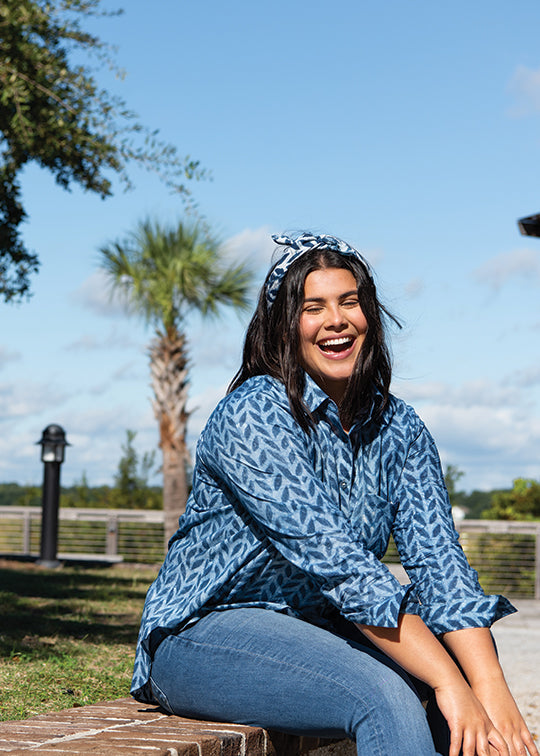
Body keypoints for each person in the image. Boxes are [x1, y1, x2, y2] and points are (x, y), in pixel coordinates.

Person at [131, 232, 538, 756]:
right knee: (387, 696)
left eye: (350, 302)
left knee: (461, 680)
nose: (337, 320)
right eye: (313, 307)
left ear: (370, 314)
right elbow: (341, 566)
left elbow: (440, 565)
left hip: (319, 630)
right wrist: (450, 683)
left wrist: (488, 685)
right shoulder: (254, 414)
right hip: (204, 633)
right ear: (285, 325)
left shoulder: (400, 428)